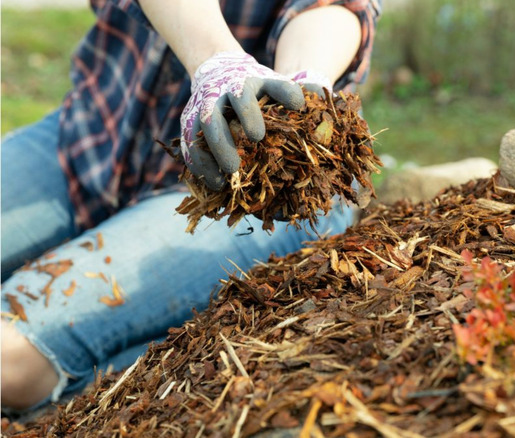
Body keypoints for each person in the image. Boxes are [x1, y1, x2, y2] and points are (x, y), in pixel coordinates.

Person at [1, 0, 381, 411]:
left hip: (246, 194)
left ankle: (157, 367)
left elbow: (335, 6)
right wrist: (217, 63)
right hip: (93, 135)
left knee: (9, 361)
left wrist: (303, 80)